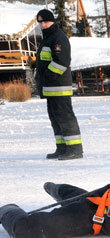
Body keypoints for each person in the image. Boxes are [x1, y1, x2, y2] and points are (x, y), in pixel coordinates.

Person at [35, 9, 83, 160]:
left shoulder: (58, 37)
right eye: (41, 22)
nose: (43, 25)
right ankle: (62, 148)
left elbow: (61, 62)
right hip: (50, 88)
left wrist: (47, 76)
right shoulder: (48, 38)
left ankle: (75, 149)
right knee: (55, 119)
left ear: (53, 21)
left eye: (46, 22)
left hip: (58, 87)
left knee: (65, 118)